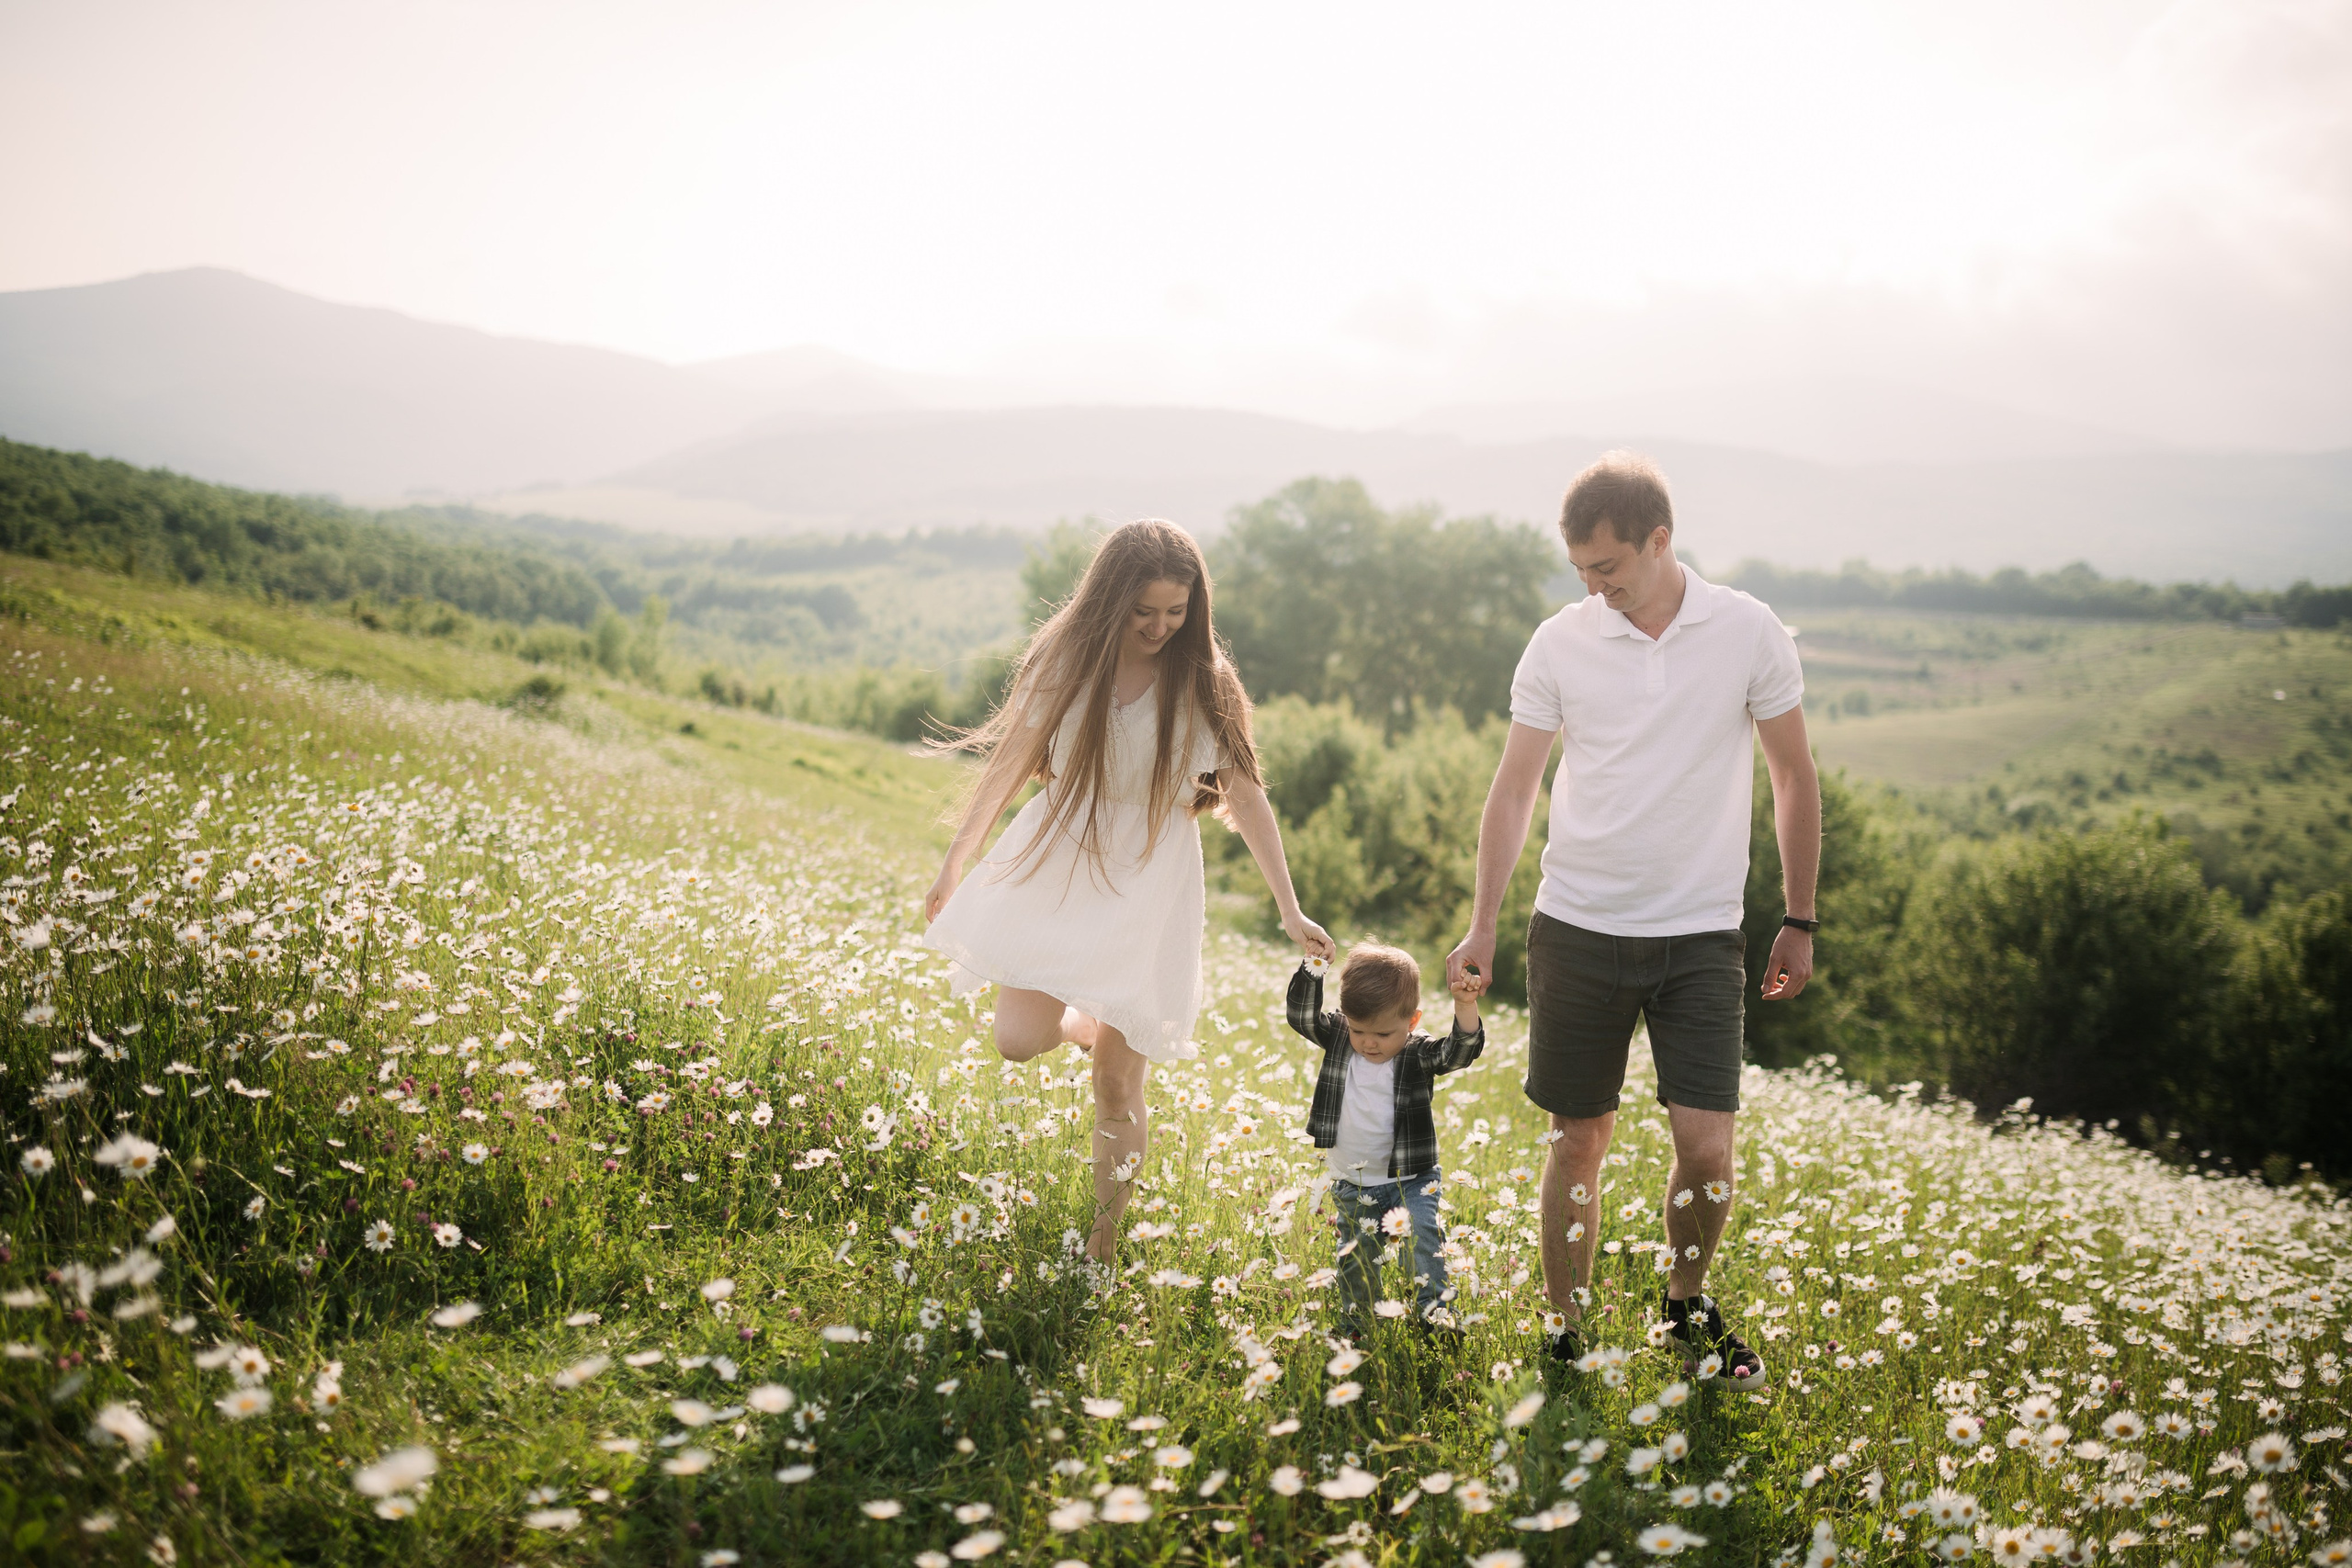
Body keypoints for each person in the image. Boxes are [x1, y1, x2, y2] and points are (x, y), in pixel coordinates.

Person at [1445, 452, 1819, 1391]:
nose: (1596, 588)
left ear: (1660, 540)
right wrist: (1483, 922)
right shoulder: (1559, 644)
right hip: (1574, 927)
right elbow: (1515, 788)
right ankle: (1565, 1328)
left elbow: (1791, 776)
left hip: (1700, 935)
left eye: (1609, 568)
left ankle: (1685, 1299)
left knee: (1706, 1144)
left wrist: (1799, 916)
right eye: (1581, 572)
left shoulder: (1748, 632)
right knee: (1579, 1137)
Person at [924, 518, 1334, 1264]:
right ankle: (1084, 1018)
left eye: (1175, 611)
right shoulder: (1069, 658)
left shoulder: (1205, 681)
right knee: (1015, 1040)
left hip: (1153, 878)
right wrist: (958, 856)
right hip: (1062, 858)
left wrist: (1288, 906)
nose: (1159, 626)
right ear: (1110, 597)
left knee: (1116, 1081)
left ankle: (1102, 1247)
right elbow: (1014, 758)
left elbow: (1246, 796)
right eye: (1144, 610)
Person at [1284, 943, 1485, 1339]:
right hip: (1352, 1182)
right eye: (1358, 1030)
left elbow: (1458, 1053)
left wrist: (1465, 1006)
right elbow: (1301, 1016)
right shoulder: (1341, 1038)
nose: (1369, 1043)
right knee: (1357, 1259)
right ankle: (1358, 1327)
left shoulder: (1416, 1053)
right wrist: (1314, 966)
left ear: (1412, 1020)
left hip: (1412, 1178)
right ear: (1346, 1019)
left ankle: (1436, 1318)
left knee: (1424, 1237)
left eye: (1382, 1033)